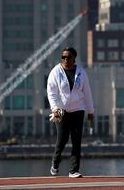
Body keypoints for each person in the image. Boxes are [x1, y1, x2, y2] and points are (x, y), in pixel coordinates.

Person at [46, 47, 94, 178]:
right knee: (62, 139)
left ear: (74, 59)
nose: (65, 59)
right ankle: (55, 162)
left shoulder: (81, 73)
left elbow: (87, 93)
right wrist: (55, 109)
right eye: (63, 57)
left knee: (76, 140)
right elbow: (51, 93)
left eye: (68, 57)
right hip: (61, 111)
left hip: (78, 110)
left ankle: (73, 170)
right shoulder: (55, 72)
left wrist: (91, 111)